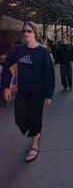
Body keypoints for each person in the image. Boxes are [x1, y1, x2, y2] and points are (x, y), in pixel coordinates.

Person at [1, 21, 55, 162]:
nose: (25, 33)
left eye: (29, 31)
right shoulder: (18, 50)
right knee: (20, 118)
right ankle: (34, 131)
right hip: (23, 91)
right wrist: (6, 86)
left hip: (38, 93)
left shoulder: (43, 52)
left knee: (35, 119)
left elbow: (49, 74)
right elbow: (6, 65)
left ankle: (34, 144)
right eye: (24, 31)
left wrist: (48, 93)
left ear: (35, 34)